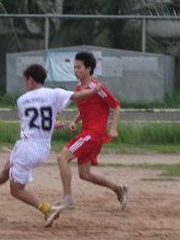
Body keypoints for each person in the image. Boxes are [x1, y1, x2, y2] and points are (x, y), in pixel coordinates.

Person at [0, 64, 101, 228]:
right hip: (43, 149)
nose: (25, 84)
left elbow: (32, 120)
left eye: (25, 80)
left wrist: (51, 121)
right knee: (8, 168)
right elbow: (77, 96)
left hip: (27, 147)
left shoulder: (22, 100)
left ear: (30, 80)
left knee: (16, 190)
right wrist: (94, 91)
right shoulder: (54, 93)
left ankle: (47, 210)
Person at [53, 51, 128, 214]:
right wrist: (75, 121)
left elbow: (115, 106)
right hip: (88, 133)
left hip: (94, 134)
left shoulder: (97, 88)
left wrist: (113, 128)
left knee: (61, 157)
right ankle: (119, 189)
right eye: (74, 67)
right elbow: (86, 109)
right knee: (85, 174)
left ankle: (67, 198)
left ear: (88, 69)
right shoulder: (79, 88)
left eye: (79, 67)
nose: (76, 70)